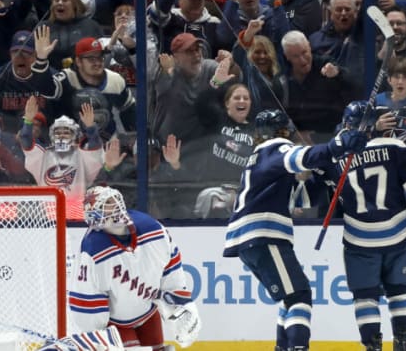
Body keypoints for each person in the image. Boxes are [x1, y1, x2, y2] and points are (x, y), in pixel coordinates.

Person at [223, 109, 367, 351]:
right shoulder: (275, 148)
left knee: (290, 298)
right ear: (284, 131)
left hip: (251, 240)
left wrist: (324, 176)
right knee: (299, 297)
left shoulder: (260, 157)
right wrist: (335, 146)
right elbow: (300, 157)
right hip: (263, 235)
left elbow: (300, 198)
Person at [318, 100, 406, 351]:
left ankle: (372, 346)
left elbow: (333, 195)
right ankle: (401, 342)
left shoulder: (335, 160)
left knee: (365, 297)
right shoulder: (395, 147)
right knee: (399, 292)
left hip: (359, 241)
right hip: (397, 236)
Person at [66, 186, 201, 350]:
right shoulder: (93, 250)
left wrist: (182, 304)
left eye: (115, 200)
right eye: (107, 204)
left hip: (148, 314)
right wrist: (99, 338)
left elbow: (170, 269)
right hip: (116, 325)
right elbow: (88, 303)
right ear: (94, 215)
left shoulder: (152, 229)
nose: (115, 205)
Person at [19, 95, 104, 219]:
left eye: (66, 132)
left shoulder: (82, 155)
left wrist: (91, 128)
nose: (62, 136)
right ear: (52, 136)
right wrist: (28, 121)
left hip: (77, 211)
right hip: (48, 213)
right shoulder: (44, 154)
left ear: (74, 135)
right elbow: (26, 140)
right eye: (58, 132)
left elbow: (95, 145)